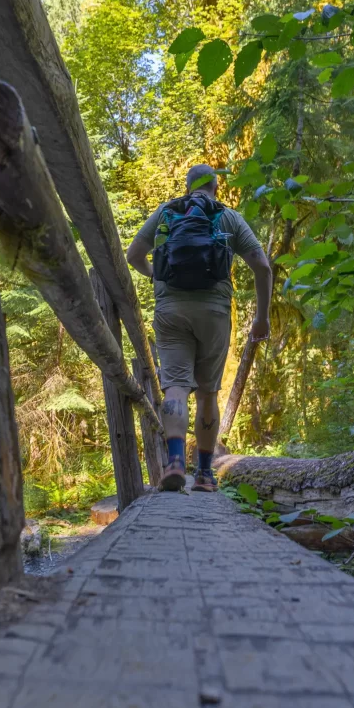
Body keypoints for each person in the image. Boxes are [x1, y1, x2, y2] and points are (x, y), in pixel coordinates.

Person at [127, 163, 272, 493]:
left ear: (188, 185)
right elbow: (262, 267)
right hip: (214, 311)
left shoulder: (167, 213)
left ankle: (175, 462)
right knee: (208, 393)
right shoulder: (228, 217)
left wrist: (156, 274)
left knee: (175, 387)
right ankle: (205, 475)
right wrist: (260, 318)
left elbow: (133, 255)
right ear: (216, 187)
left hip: (170, 311)